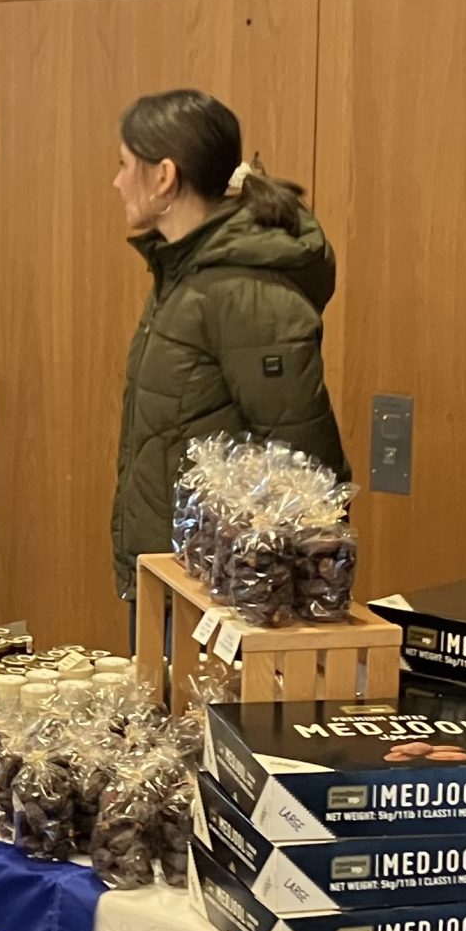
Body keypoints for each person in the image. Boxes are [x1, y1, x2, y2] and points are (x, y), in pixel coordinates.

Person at [110, 88, 346, 599]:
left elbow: (307, 467)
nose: (117, 181)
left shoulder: (244, 292)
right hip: (172, 576)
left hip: (226, 594)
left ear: (165, 176)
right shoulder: (182, 273)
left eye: (126, 164)